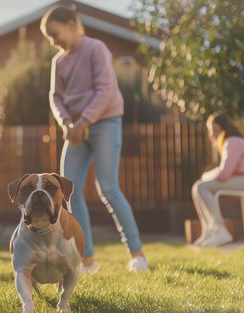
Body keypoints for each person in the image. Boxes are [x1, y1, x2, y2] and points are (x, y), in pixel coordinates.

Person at [41, 5, 148, 272]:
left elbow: (105, 90)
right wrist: (68, 123)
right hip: (75, 129)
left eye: (56, 34)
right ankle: (87, 260)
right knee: (70, 191)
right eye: (49, 38)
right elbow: (56, 98)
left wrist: (84, 122)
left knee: (108, 188)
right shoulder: (59, 62)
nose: (54, 41)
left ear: (73, 24)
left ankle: (137, 254)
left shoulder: (96, 49)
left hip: (105, 122)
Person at [192, 112, 244, 247]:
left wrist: (206, 175)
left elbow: (224, 174)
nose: (211, 135)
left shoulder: (233, 142)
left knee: (201, 186)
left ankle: (220, 230)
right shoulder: (230, 142)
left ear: (223, 128)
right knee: (197, 187)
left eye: (214, 130)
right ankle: (209, 232)